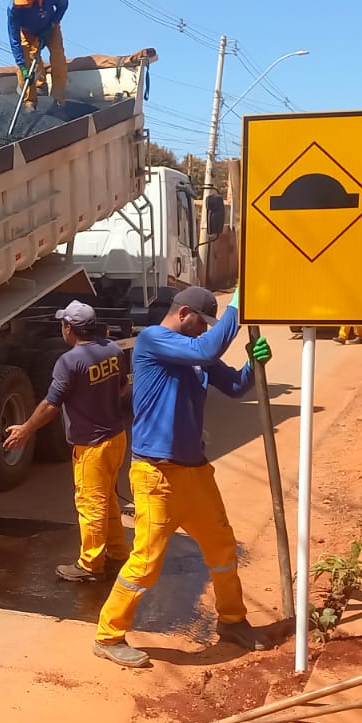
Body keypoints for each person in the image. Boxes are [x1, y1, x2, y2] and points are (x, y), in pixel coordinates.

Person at [92, 286, 273, 668]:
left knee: (222, 548)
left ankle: (232, 620)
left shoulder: (194, 353)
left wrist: (254, 366)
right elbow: (207, 349)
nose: (202, 330)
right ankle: (108, 634)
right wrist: (239, 305)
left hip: (195, 473)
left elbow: (236, 387)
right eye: (201, 323)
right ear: (185, 312)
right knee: (147, 560)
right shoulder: (153, 340)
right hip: (156, 474)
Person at [3, 301, 130, 582]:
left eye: (63, 324)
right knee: (106, 498)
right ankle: (118, 551)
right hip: (116, 438)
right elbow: (122, 386)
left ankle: (90, 565)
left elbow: (51, 405)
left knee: (90, 504)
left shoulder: (69, 361)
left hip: (92, 446)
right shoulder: (112, 350)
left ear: (69, 328)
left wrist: (25, 428)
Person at [7, 0, 69, 109]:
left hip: (50, 28)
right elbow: (14, 38)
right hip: (27, 32)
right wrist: (21, 65)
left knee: (58, 58)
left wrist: (53, 23)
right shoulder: (13, 9)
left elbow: (63, 4)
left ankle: (58, 99)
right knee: (26, 63)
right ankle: (30, 101)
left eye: (26, 2)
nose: (23, 5)